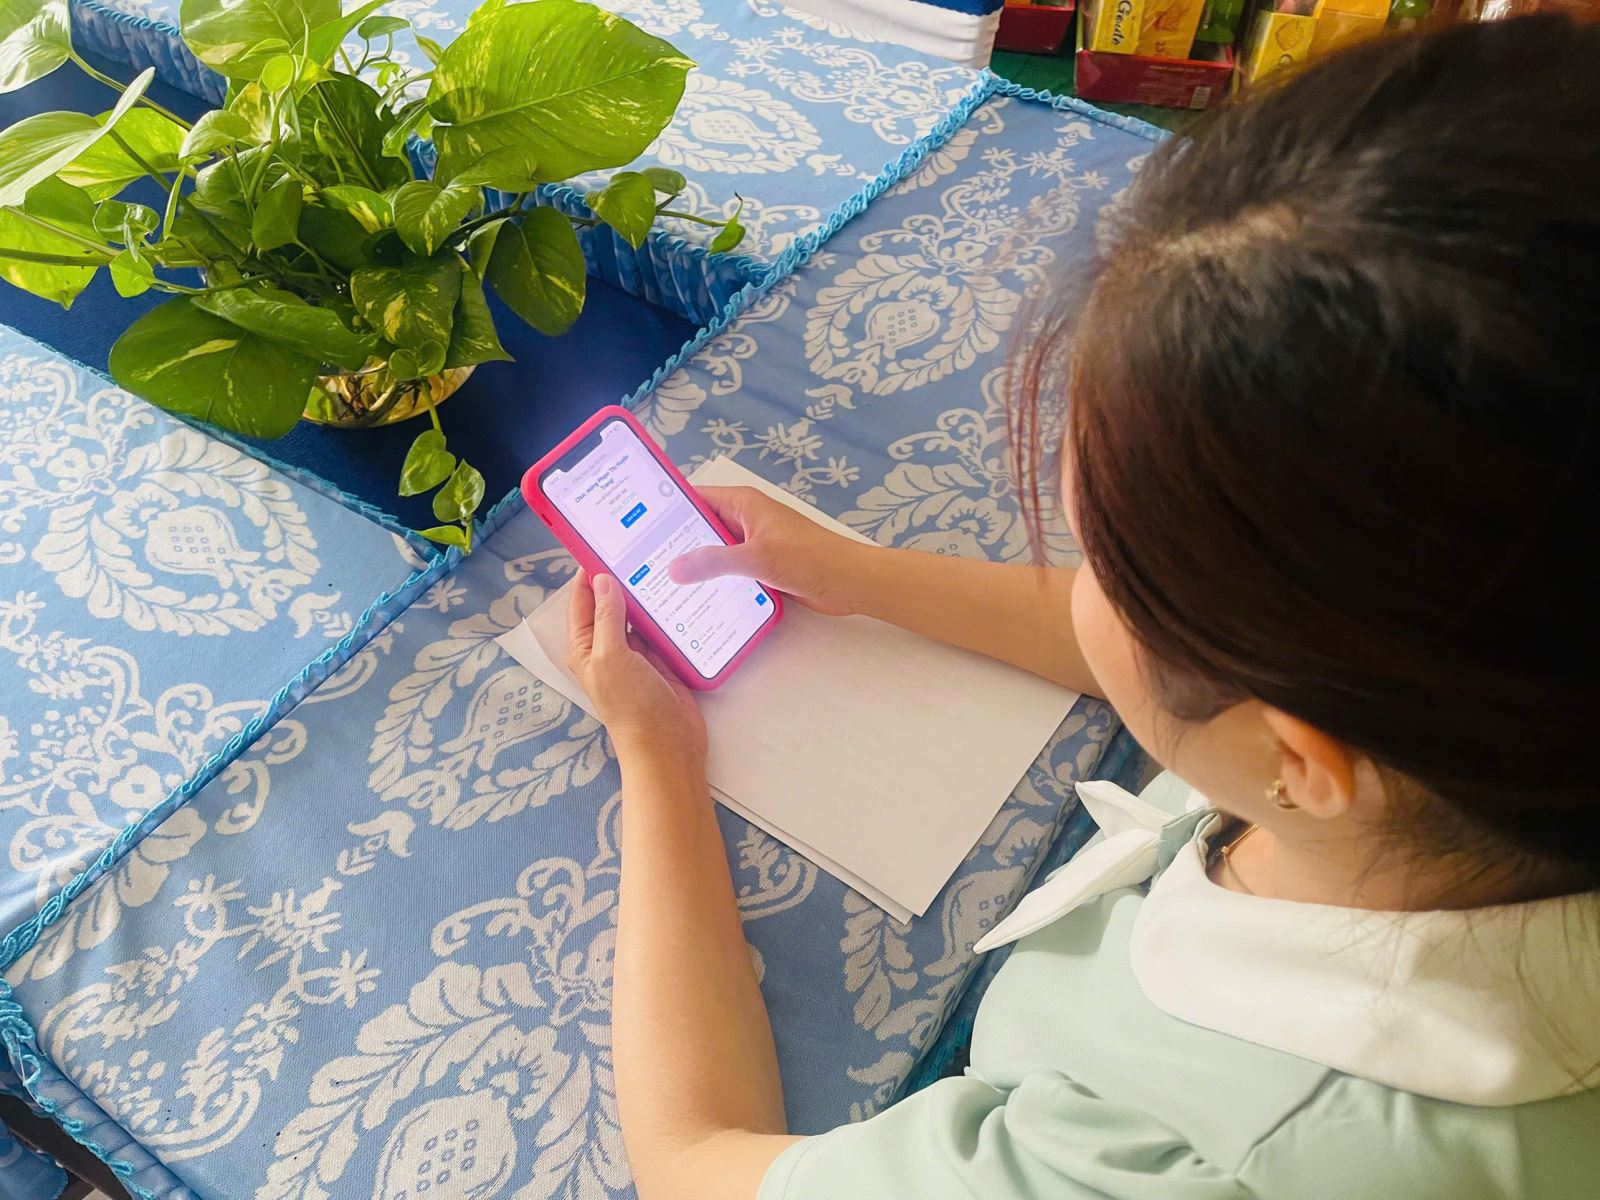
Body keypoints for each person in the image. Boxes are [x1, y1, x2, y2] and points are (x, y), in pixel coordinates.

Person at [562, 15, 1600, 1200]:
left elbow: (696, 1163)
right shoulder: (1489, 729)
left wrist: (655, 750)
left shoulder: (1177, 1161)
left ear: (1299, 762)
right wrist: (855, 574)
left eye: (1110, 563)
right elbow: (1185, 658)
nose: (1078, 582)